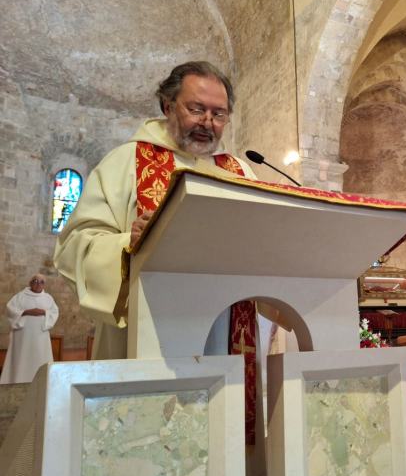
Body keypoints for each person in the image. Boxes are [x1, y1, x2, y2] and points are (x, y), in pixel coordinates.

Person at [54, 61, 256, 359]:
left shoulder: (241, 172)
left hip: (225, 329)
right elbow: (74, 245)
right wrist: (127, 246)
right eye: (197, 109)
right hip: (147, 331)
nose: (208, 122)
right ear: (168, 106)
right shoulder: (126, 162)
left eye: (219, 113)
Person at [2, 274, 59, 384]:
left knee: (40, 356)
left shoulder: (48, 298)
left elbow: (54, 312)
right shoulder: (20, 296)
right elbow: (10, 309)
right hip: (23, 335)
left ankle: (41, 382)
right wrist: (27, 311)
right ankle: (18, 380)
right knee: (22, 358)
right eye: (35, 281)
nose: (38, 284)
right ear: (30, 283)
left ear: (44, 285)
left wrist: (43, 312)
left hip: (40, 335)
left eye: (41, 282)